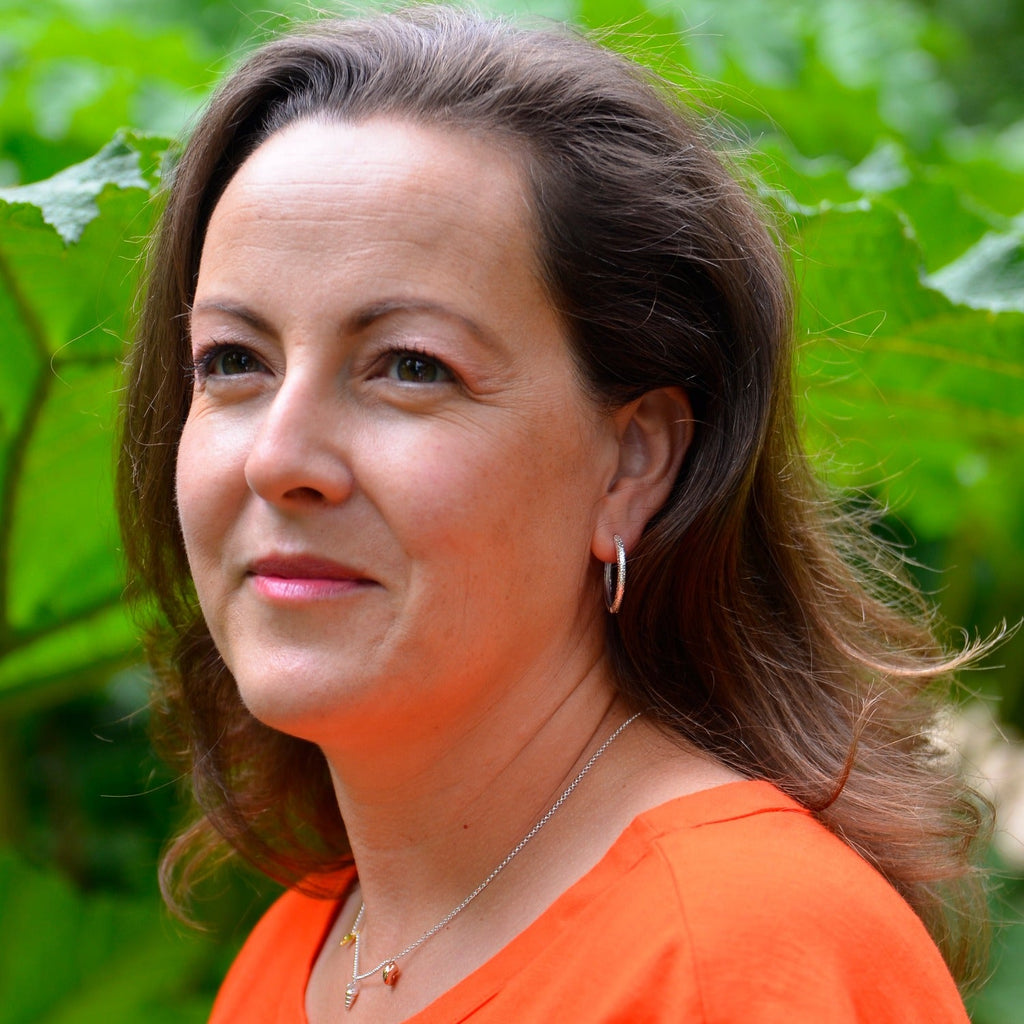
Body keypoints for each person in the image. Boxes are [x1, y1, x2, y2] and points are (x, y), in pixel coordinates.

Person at [117, 7, 993, 1022]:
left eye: (409, 366)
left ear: (632, 461)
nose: (277, 458)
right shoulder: (305, 950)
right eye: (233, 361)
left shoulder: (742, 959)